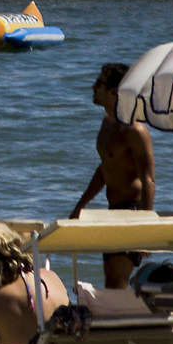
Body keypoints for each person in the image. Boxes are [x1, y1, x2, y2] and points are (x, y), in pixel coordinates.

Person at [73, 62, 156, 289]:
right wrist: (80, 205)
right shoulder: (107, 125)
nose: (93, 87)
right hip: (113, 212)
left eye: (98, 84)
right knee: (112, 281)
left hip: (132, 211)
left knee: (116, 282)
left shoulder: (135, 131)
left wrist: (145, 229)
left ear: (114, 91)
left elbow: (148, 179)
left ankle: (131, 321)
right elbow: (105, 169)